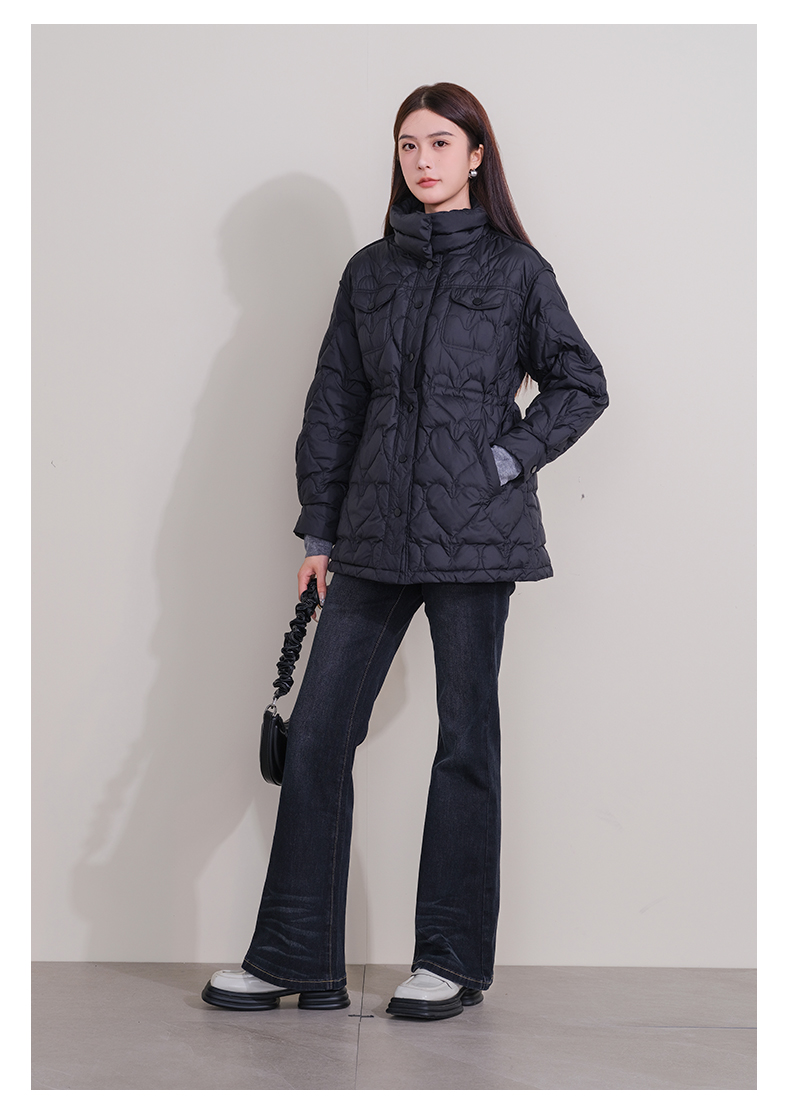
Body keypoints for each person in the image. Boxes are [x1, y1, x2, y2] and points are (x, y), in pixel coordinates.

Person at [202, 82, 608, 1021]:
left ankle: (450, 961)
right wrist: (319, 529)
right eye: (408, 145)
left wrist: (504, 457)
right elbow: (335, 402)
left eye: (440, 143)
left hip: (476, 537)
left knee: (465, 742)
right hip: (374, 534)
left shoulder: (517, 271)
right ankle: (296, 957)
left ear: (477, 156)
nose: (423, 160)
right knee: (317, 735)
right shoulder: (369, 272)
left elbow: (581, 383)